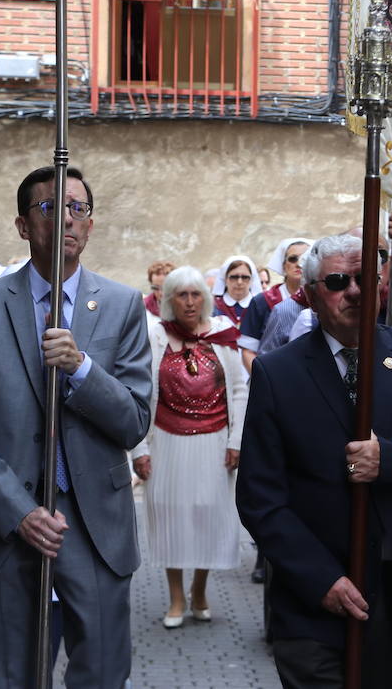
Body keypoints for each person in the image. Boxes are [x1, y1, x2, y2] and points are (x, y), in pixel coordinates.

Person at [236, 234, 392, 688]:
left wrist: (390, 458)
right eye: (337, 281)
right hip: (314, 601)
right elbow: (259, 498)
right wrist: (320, 579)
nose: (353, 290)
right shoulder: (279, 373)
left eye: (364, 279)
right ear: (310, 294)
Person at [0, 166, 153, 688]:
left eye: (78, 208)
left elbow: (133, 421)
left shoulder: (123, 306)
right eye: (50, 207)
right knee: (17, 676)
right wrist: (19, 512)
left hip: (95, 525)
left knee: (102, 674)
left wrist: (82, 369)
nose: (66, 219)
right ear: (22, 225)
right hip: (9, 525)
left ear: (91, 225)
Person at [131, 266, 249, 629]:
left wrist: (236, 441)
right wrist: (139, 450)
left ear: (205, 298)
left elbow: (241, 391)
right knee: (170, 517)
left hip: (214, 443)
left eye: (195, 294)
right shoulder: (155, 336)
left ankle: (199, 589)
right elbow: (140, 392)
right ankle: (176, 597)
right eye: (181, 295)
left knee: (207, 516)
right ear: (169, 300)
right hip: (166, 441)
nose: (189, 302)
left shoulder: (223, 335)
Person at [285, 215, 392, 342]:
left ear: (390, 263)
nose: (370, 263)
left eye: (380, 254)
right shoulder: (311, 318)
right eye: (357, 253)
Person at [238, 237, 311, 367]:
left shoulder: (321, 300)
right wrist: (262, 381)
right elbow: (248, 351)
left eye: (304, 259)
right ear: (284, 265)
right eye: (293, 259)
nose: (298, 264)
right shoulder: (262, 302)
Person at [213, 254, 262, 328]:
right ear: (225, 279)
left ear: (252, 280)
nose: (239, 282)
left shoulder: (260, 307)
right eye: (234, 277)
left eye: (245, 277)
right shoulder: (214, 306)